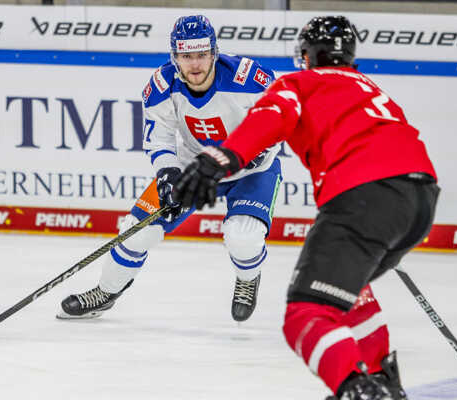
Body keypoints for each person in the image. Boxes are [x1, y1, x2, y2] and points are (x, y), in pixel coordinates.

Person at [173, 16, 439, 400]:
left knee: (306, 314)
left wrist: (219, 159)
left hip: (364, 196)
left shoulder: (301, 83)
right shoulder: (368, 87)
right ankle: (380, 378)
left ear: (305, 55)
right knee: (348, 288)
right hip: (420, 198)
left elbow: (268, 118)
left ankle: (357, 391)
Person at [57, 15, 282, 323]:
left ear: (214, 53)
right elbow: (159, 136)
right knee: (136, 232)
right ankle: (106, 292)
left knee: (243, 237)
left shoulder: (247, 77)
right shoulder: (162, 85)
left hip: (251, 169)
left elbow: (280, 118)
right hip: (196, 166)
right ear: (174, 56)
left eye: (202, 54)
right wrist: (168, 175)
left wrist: (257, 151)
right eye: (187, 56)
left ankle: (247, 277)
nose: (196, 64)